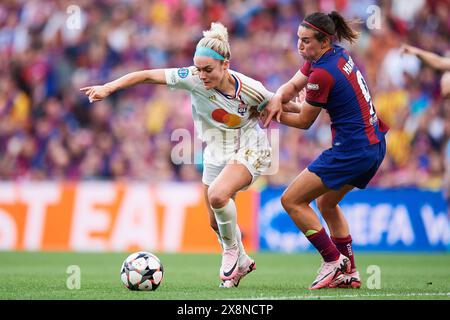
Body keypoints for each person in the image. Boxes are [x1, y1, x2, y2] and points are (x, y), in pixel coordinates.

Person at [81, 22, 274, 288]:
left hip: (251, 146)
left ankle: (230, 252)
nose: (202, 75)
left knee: (217, 195)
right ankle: (240, 260)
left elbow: (280, 106)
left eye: (208, 70)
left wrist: (317, 108)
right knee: (214, 222)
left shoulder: (251, 88)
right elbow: (147, 75)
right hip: (216, 150)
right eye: (199, 69)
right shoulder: (192, 77)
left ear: (225, 65)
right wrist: (109, 88)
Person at [262, 11, 389, 289]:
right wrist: (275, 100)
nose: (300, 46)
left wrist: (270, 111)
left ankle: (333, 261)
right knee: (326, 203)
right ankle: (350, 272)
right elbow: (293, 86)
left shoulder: (323, 72)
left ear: (324, 41)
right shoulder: (335, 56)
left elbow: (305, 121)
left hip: (353, 150)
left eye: (306, 41)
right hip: (374, 145)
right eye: (298, 39)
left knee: (291, 200)